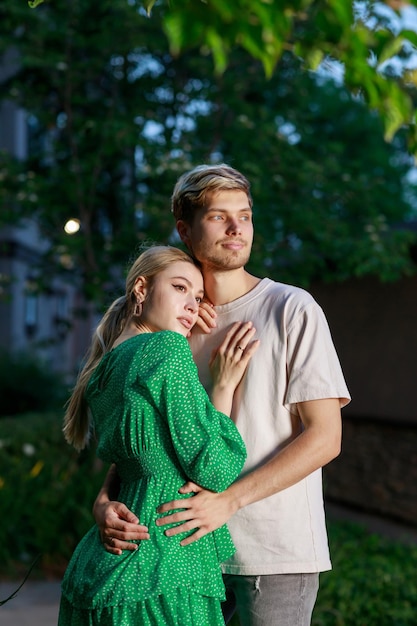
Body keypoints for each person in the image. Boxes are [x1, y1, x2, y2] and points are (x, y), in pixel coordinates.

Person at [94, 165, 351, 626]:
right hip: (180, 553)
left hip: (271, 555)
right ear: (185, 229)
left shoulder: (292, 308)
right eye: (218, 216)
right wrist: (104, 498)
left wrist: (227, 500)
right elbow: (151, 437)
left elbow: (325, 438)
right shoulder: (176, 322)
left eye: (245, 215)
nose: (237, 228)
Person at [58, 245, 260, 626]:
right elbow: (213, 469)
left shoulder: (101, 371)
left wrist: (102, 501)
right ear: (140, 289)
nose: (191, 305)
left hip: (100, 565)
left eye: (198, 297)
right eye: (180, 288)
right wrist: (223, 386)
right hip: (164, 562)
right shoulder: (166, 348)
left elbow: (139, 459)